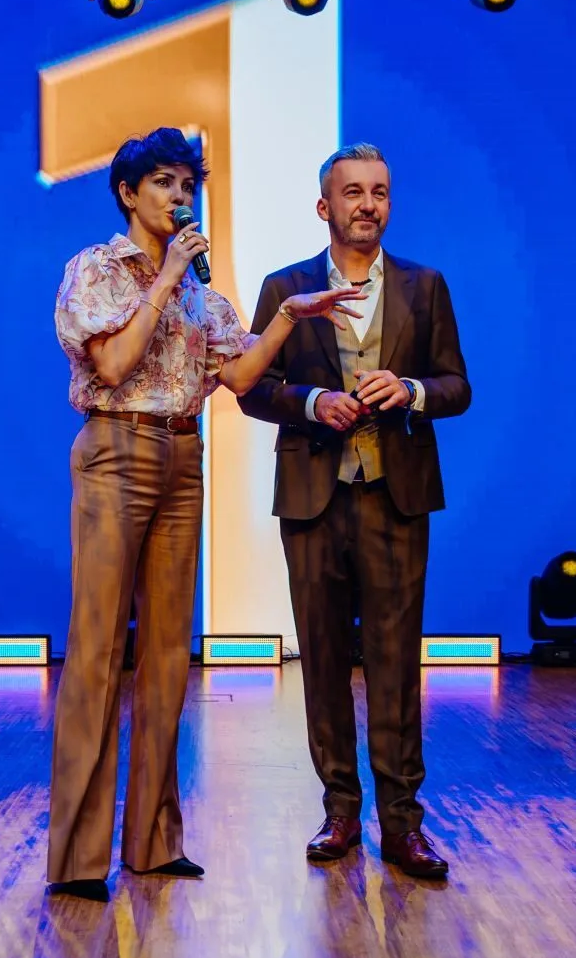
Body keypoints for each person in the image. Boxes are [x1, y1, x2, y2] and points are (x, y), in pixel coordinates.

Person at [47, 128, 366, 903]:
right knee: (99, 651)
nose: (179, 197)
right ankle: (79, 858)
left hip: (182, 457)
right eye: (163, 182)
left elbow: (242, 377)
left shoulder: (202, 294)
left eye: (187, 185)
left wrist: (287, 317)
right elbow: (112, 364)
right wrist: (164, 280)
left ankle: (154, 843)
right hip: (116, 451)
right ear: (128, 193)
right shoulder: (97, 270)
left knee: (167, 656)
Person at [238, 143, 471, 881]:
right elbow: (250, 387)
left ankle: (403, 823)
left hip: (396, 497)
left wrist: (412, 391)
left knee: (397, 664)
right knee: (324, 658)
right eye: (353, 192)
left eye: (379, 192)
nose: (368, 204)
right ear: (324, 206)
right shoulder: (286, 288)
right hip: (314, 498)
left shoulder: (425, 286)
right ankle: (340, 810)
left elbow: (457, 385)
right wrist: (312, 402)